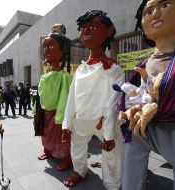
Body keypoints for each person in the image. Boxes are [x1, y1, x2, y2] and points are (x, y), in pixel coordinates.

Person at [120, 0, 175, 190]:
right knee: (131, 162)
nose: (155, 14)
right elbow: (129, 94)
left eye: (164, 6)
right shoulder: (142, 65)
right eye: (148, 11)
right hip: (142, 126)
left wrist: (159, 105)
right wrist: (127, 108)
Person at [61, 10, 124, 189]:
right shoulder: (79, 69)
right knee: (77, 146)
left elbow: (113, 103)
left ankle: (112, 183)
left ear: (108, 31)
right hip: (80, 118)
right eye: (83, 28)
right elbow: (71, 98)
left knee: (112, 151)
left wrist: (110, 132)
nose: (86, 31)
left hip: (103, 121)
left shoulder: (114, 69)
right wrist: (67, 124)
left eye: (93, 27)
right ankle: (79, 170)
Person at [33, 26, 73, 171]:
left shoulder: (65, 76)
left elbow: (65, 98)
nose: (47, 50)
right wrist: (35, 113)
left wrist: (60, 119)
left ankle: (68, 159)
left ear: (62, 50)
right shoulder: (44, 76)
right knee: (45, 135)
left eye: (51, 45)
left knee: (62, 138)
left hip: (57, 114)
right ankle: (47, 151)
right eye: (45, 46)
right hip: (44, 114)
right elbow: (39, 96)